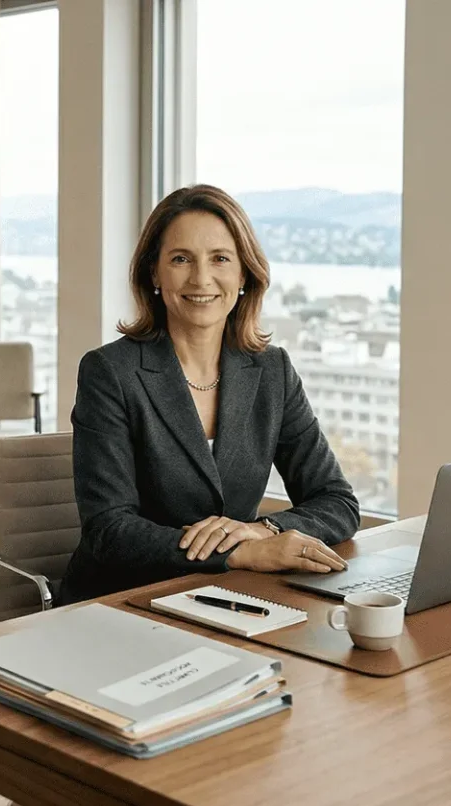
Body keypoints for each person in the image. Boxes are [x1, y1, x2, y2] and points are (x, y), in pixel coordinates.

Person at [57, 184, 361, 605]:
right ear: (154, 273)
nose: (201, 278)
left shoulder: (272, 371)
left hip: (229, 595)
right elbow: (109, 530)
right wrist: (238, 553)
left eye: (220, 258)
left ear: (243, 274)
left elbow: (337, 501)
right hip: (123, 599)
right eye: (181, 259)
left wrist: (263, 530)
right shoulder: (110, 372)